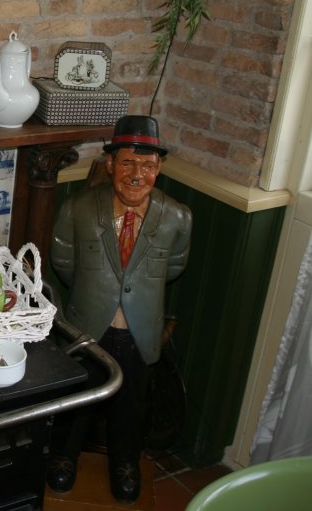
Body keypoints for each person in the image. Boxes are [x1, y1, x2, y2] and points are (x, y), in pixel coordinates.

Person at [48, 115, 192, 504]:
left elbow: (174, 267)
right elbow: (65, 261)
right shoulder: (78, 208)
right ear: (110, 164)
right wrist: (98, 291)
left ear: (159, 169)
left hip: (139, 329)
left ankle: (125, 463)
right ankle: (63, 456)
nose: (136, 175)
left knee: (131, 403)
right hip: (88, 325)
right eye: (127, 163)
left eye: (148, 165)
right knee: (78, 396)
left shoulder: (177, 217)